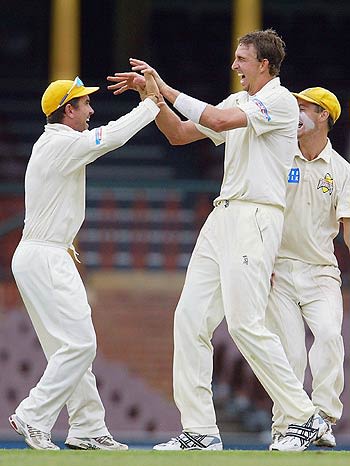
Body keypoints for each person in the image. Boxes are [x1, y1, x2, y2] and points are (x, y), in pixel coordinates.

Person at [107, 29, 328, 452]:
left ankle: (304, 417)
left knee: (245, 325)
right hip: (222, 215)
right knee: (189, 319)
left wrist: (167, 86)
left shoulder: (280, 101)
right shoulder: (238, 101)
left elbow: (217, 121)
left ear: (263, 64)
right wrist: (151, 95)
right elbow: (179, 134)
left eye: (241, 59)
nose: (234, 66)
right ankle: (201, 431)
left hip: (257, 217)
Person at [9, 73, 161, 450]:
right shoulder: (61, 143)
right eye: (84, 104)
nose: (91, 109)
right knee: (79, 346)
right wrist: (149, 106)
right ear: (67, 111)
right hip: (45, 255)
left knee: (71, 349)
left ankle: (88, 427)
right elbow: (109, 137)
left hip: (46, 254)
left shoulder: (57, 143)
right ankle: (32, 415)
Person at [265, 87, 350, 450]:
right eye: (295, 106)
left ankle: (324, 418)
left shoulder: (342, 170)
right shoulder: (278, 156)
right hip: (277, 269)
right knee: (290, 354)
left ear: (323, 117)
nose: (296, 112)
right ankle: (286, 426)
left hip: (320, 271)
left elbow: (346, 228)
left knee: (330, 337)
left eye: (305, 108)